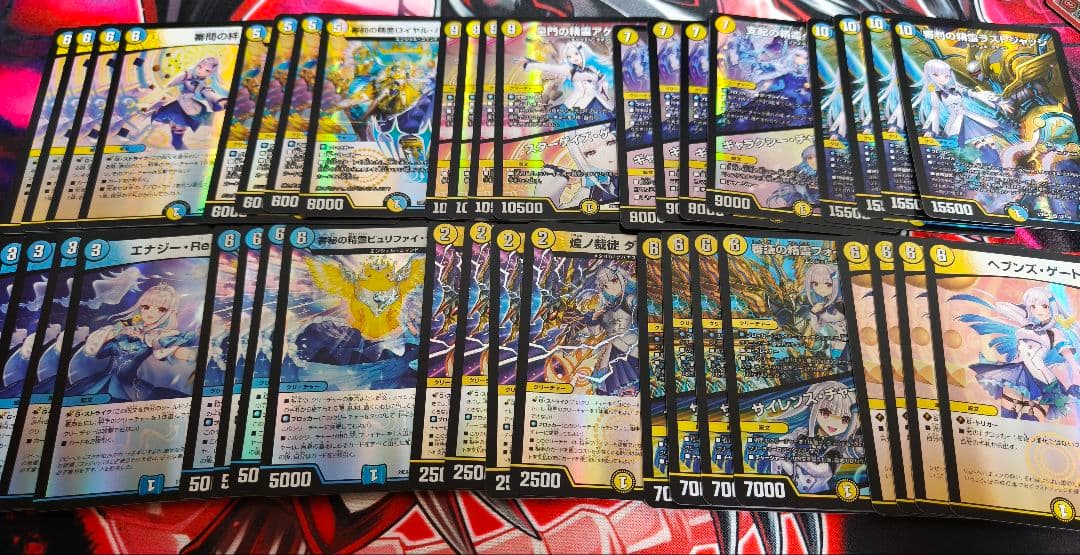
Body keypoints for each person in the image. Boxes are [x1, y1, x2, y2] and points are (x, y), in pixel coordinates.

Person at [152, 57, 227, 150]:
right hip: (180, 103)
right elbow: (169, 86)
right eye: (200, 66)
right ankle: (177, 142)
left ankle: (177, 142)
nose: (200, 71)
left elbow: (206, 92)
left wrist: (217, 101)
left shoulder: (205, 83)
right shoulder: (187, 75)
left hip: (188, 106)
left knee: (179, 119)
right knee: (177, 118)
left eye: (207, 70)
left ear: (211, 73)